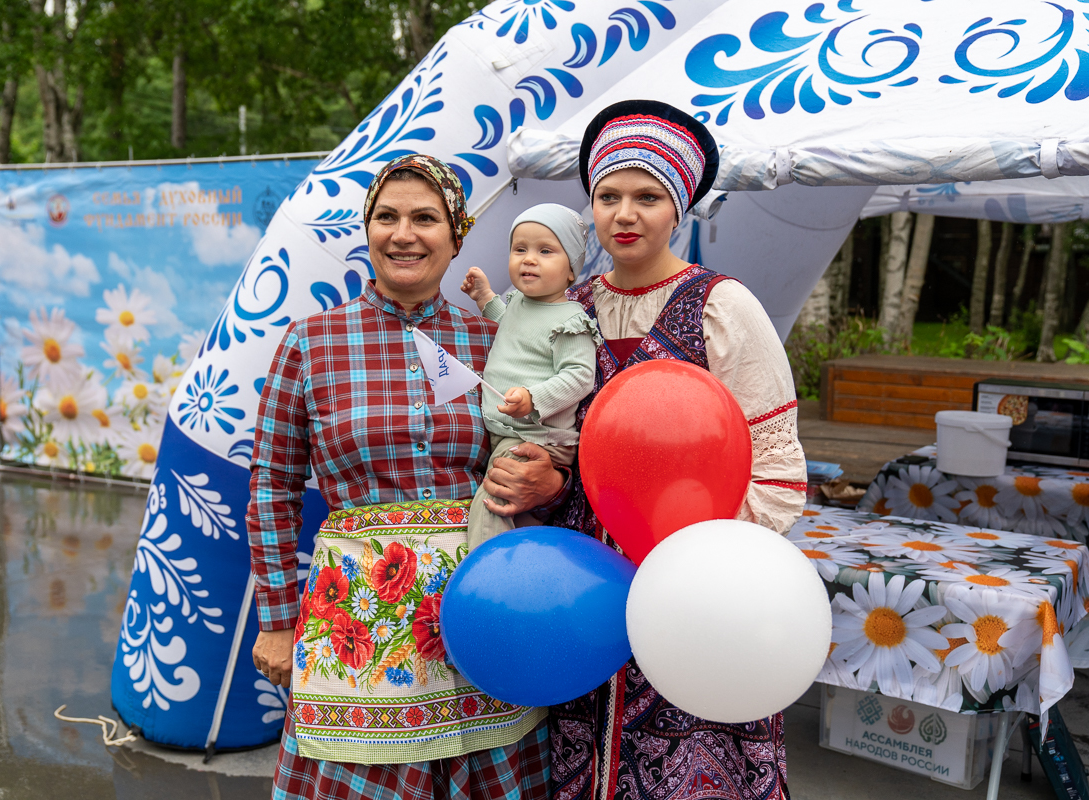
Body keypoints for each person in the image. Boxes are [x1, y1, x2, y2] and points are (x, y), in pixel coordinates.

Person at [246, 154, 566, 800]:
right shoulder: (310, 343)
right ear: (367, 231)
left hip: (481, 620)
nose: (403, 233)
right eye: (386, 217)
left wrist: (550, 479)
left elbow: (547, 452)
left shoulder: (495, 344)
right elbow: (272, 485)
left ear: (455, 237)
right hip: (358, 634)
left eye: (425, 218)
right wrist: (277, 619)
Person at [547, 100, 807, 800]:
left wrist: (701, 570)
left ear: (681, 207)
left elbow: (776, 468)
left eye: (648, 197)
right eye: (608, 196)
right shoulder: (562, 310)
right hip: (582, 594)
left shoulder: (723, 306)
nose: (625, 214)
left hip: (699, 597)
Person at [459, 203, 598, 549]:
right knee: (520, 518)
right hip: (509, 432)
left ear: (571, 270)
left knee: (493, 501)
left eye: (545, 251)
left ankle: (481, 572)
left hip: (539, 437)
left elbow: (580, 375)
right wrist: (485, 298)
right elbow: (508, 322)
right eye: (519, 249)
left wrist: (534, 398)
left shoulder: (570, 318)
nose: (528, 259)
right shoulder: (519, 302)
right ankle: (514, 570)